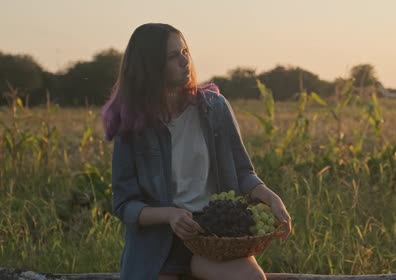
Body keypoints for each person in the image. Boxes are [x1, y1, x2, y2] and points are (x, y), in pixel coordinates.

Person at [101, 23, 291, 280]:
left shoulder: (214, 108)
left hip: (213, 234)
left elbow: (242, 171)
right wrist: (170, 215)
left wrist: (269, 196)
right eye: (172, 56)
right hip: (158, 246)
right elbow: (125, 205)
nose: (184, 61)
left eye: (184, 51)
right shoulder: (132, 124)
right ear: (150, 67)